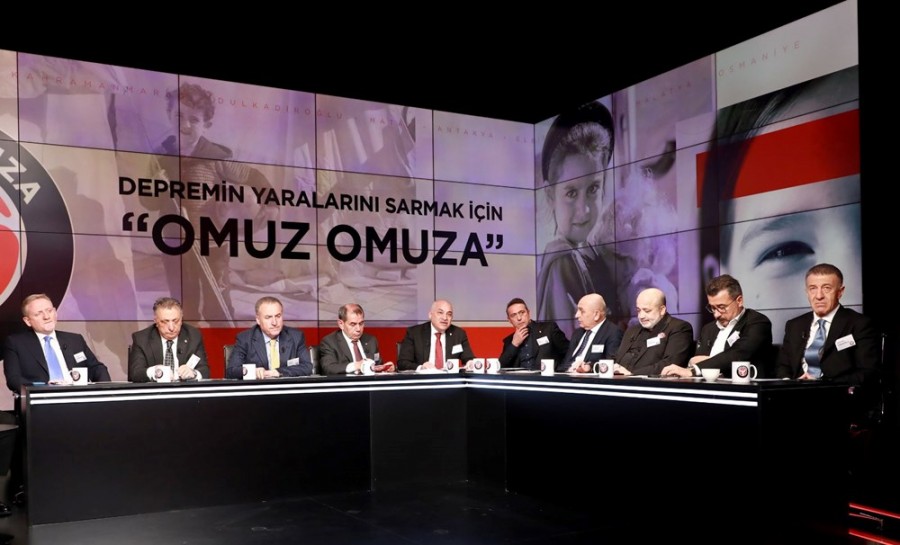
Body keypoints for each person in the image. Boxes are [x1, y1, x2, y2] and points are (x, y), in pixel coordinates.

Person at [155, 82, 276, 323]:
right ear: (169, 114)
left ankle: (225, 341)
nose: (185, 125)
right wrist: (156, 186)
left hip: (212, 241)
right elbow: (148, 203)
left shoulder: (215, 158)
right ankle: (189, 343)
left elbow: (253, 176)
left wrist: (271, 206)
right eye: (179, 116)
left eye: (194, 119)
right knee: (183, 303)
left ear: (206, 124)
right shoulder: (159, 158)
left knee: (217, 300)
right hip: (175, 241)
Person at [536, 101, 618, 335]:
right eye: (571, 193)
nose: (584, 211)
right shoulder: (564, 261)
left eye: (593, 189)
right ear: (550, 195)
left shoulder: (590, 252)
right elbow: (568, 338)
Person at [776, 264, 880, 411]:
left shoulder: (858, 324)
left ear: (840, 292)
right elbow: (783, 366)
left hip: (839, 402)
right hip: (796, 400)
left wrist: (822, 383)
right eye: (813, 288)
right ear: (807, 292)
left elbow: (867, 372)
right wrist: (788, 384)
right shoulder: (794, 325)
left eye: (826, 288)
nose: (819, 296)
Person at [661, 275, 773, 378]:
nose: (716, 314)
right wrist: (710, 363)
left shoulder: (757, 322)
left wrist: (695, 369)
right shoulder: (708, 329)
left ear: (739, 301)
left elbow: (738, 354)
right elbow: (697, 360)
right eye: (713, 308)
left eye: (721, 307)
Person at [3, 293, 111, 392]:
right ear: (28, 321)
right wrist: (41, 388)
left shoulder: (75, 340)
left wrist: (105, 391)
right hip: (41, 399)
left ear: (55, 312)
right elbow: (13, 379)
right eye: (38, 314)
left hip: (77, 397)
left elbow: (96, 368)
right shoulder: (16, 343)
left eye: (49, 311)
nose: (46, 317)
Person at [225, 296, 313, 379]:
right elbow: (231, 370)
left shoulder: (296, 337)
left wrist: (277, 372)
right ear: (258, 320)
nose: (274, 322)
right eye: (268, 317)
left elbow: (307, 367)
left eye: (278, 316)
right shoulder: (245, 339)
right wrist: (252, 371)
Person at [128, 297, 210, 382]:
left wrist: (194, 373)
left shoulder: (194, 336)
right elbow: (135, 373)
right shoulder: (142, 339)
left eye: (176, 321)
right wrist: (155, 372)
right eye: (165, 322)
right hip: (156, 389)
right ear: (156, 321)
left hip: (184, 389)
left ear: (181, 319)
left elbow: (204, 370)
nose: (171, 328)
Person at [615, 288, 693, 376]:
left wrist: (632, 374)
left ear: (662, 310)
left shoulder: (679, 328)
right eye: (638, 310)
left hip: (650, 382)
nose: (641, 316)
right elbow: (617, 358)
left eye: (647, 311)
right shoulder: (632, 330)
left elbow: (670, 364)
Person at [397, 300, 474, 371]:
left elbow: (469, 358)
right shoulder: (414, 333)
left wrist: (470, 363)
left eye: (449, 314)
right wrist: (421, 368)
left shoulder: (458, 334)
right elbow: (402, 363)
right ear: (430, 315)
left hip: (449, 379)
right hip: (423, 379)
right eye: (440, 313)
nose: (445, 318)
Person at [319, 304, 395, 375]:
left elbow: (377, 365)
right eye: (353, 324)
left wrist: (384, 368)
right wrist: (356, 365)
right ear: (341, 324)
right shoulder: (330, 342)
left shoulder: (371, 340)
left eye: (361, 323)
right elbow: (328, 368)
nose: (358, 329)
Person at [559, 293, 623, 373]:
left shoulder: (613, 333)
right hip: (566, 375)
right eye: (577, 310)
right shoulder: (577, 333)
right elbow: (565, 363)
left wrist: (589, 367)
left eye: (582, 311)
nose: (576, 315)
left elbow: (611, 363)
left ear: (596, 315)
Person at [499, 298, 569, 371]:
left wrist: (559, 371)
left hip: (546, 376)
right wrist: (514, 344)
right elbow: (500, 366)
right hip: (519, 377)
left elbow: (569, 353)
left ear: (528, 313)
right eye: (513, 315)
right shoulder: (509, 341)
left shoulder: (548, 329)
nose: (519, 318)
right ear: (509, 320)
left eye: (522, 312)